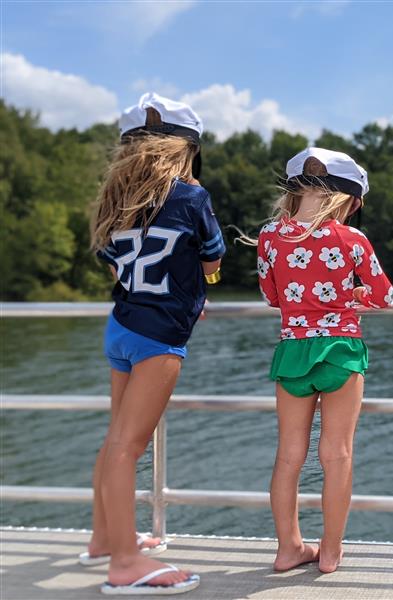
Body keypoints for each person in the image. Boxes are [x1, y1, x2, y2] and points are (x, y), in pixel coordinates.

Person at [88, 92, 226, 595]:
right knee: (129, 445)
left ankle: (106, 538)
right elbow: (212, 252)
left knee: (115, 439)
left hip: (121, 326)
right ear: (186, 149)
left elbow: (110, 258)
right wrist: (203, 282)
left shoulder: (112, 200)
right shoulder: (192, 197)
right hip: (159, 335)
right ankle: (125, 564)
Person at [256, 147, 393, 574]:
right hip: (340, 349)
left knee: (288, 456)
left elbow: (271, 297)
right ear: (348, 200)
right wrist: (351, 295)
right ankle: (330, 553)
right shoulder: (351, 239)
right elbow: (383, 295)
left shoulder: (269, 236)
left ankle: (287, 549)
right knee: (336, 454)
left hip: (293, 350)